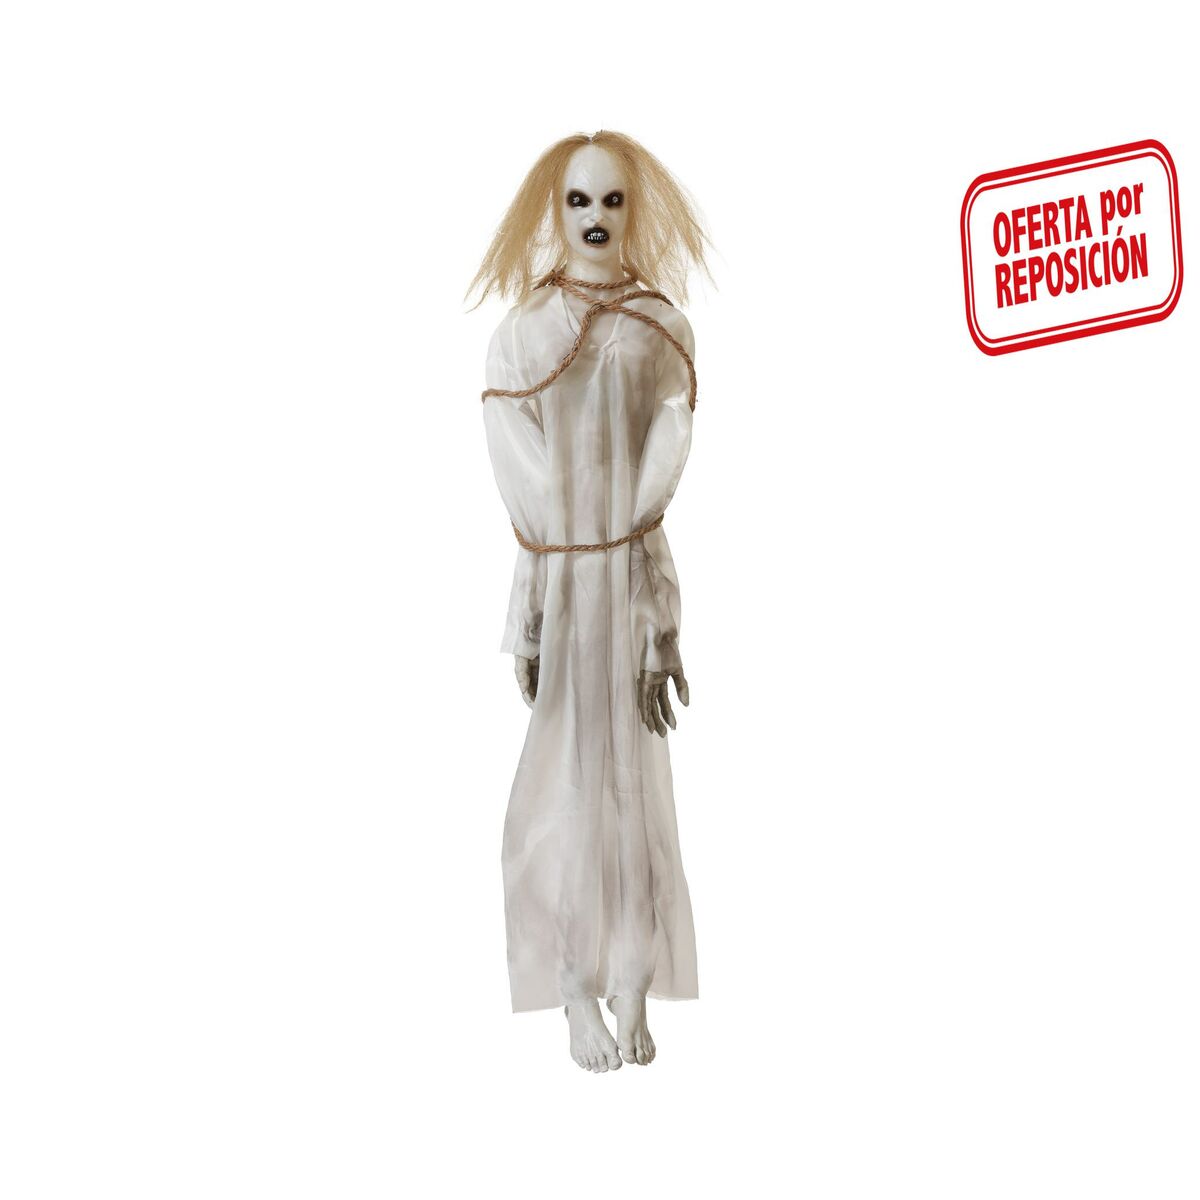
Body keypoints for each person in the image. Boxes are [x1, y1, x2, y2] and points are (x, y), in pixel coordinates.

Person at [471, 130, 710, 1072]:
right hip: (568, 582)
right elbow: (532, 502)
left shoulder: (659, 328)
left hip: (626, 572)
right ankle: (575, 986)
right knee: (570, 784)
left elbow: (652, 494)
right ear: (555, 209)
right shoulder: (525, 335)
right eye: (579, 200)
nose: (597, 217)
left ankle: (634, 976)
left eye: (612, 200)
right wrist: (531, 617)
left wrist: (660, 629)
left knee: (635, 785)